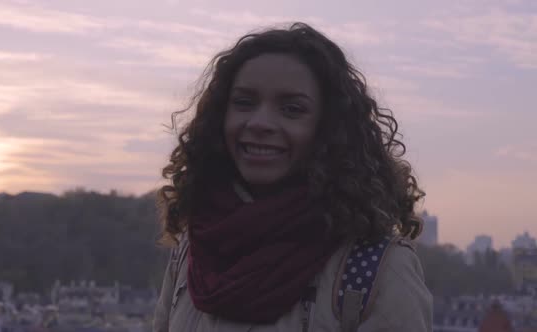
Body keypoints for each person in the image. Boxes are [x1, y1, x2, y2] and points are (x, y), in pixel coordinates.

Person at [153, 22, 432, 332]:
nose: (260, 122)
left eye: (292, 109)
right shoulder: (192, 251)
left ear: (328, 129)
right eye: (244, 103)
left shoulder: (376, 272)